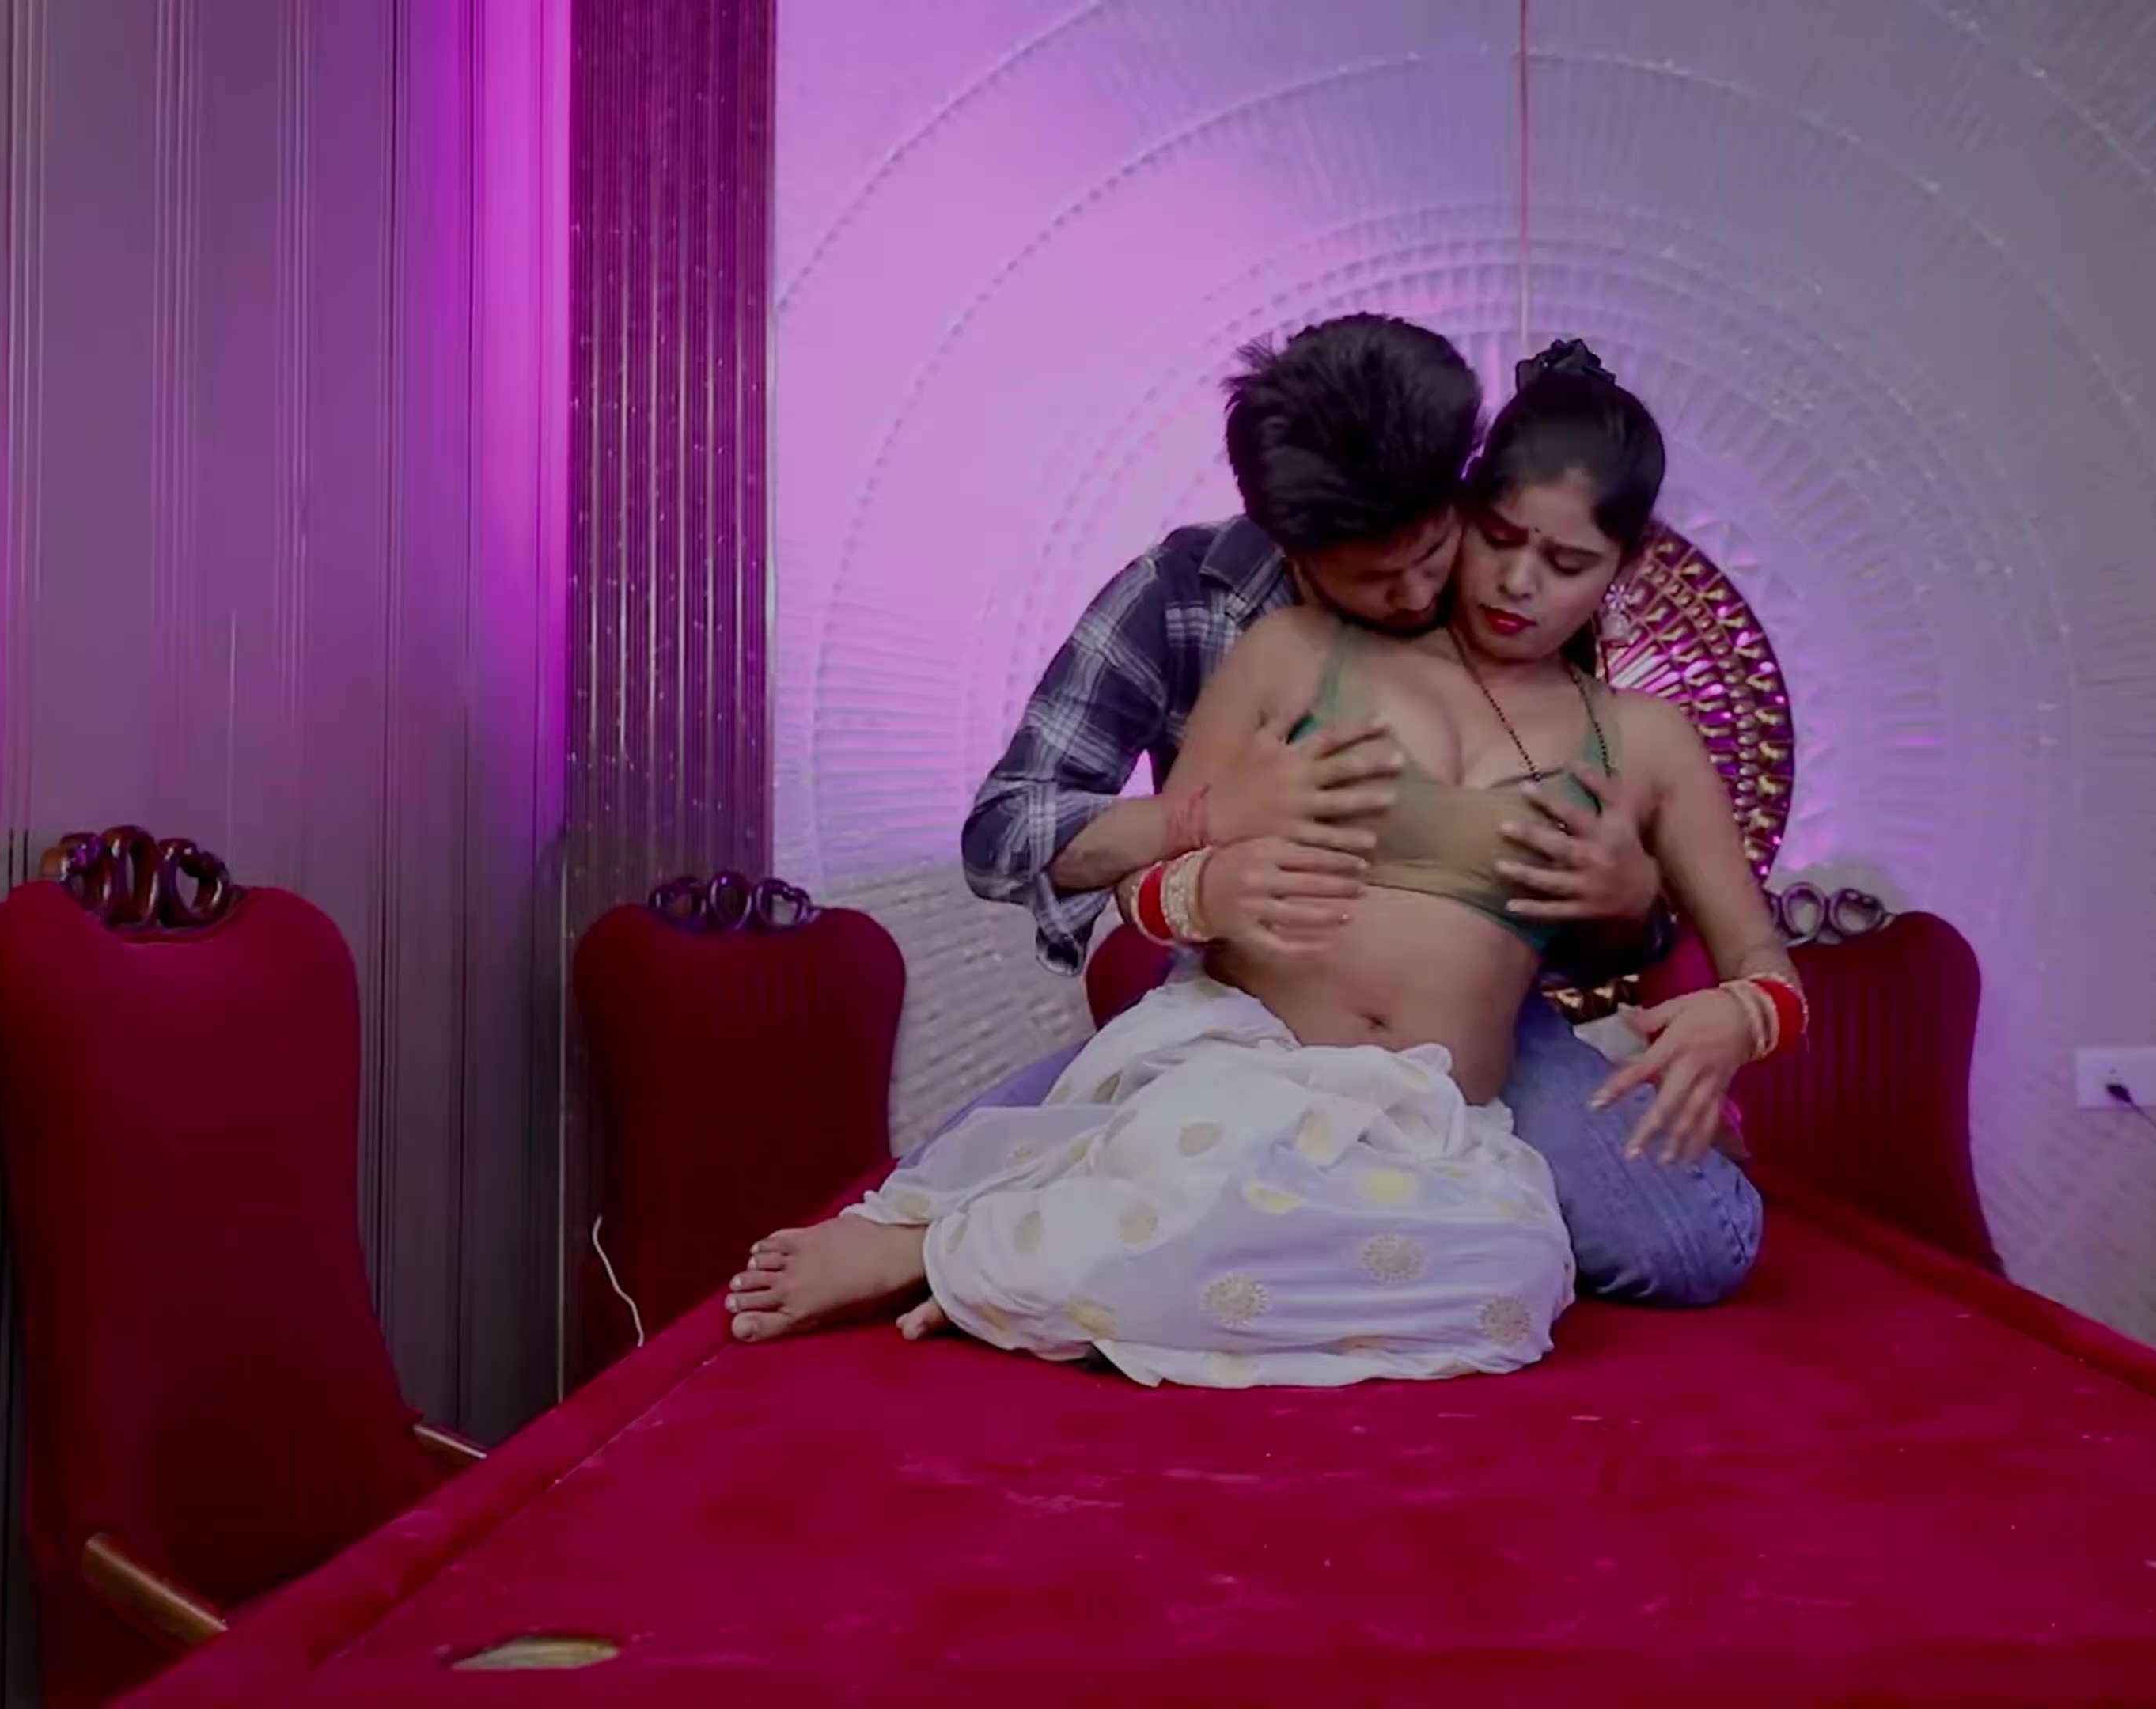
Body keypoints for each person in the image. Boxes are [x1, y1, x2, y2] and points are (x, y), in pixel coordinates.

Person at [722, 341, 1809, 1387]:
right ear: (1295, 547)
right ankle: (972, 1241)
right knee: (1038, 1156)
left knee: (1577, 1263)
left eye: (1562, 564)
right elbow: (1045, 849)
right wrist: (1200, 842)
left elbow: (1748, 954)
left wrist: (1712, 990)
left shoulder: (1637, 734)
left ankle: (1075, 1239)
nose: (1491, 585)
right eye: (1492, 542)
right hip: (1246, 1025)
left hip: (1455, 1074)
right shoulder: (1279, 638)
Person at [962, 314, 1760, 1305]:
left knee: (1681, 1242)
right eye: (1381, 577)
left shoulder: (1507, 596)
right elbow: (1005, 837)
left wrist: (1637, 908)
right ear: (1291, 543)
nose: (1428, 593)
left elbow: (1544, 898)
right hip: (1248, 996)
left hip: (1472, 1030)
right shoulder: (1188, 600)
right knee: (968, 1181)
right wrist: (1196, 823)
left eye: (1438, 547)